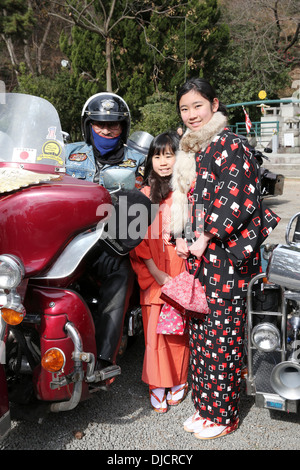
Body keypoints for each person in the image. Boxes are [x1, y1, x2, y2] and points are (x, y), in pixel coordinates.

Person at [170, 78, 280, 438]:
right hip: (200, 255)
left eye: (197, 106)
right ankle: (205, 407)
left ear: (214, 105)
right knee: (201, 332)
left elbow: (239, 195)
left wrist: (203, 236)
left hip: (225, 255)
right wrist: (182, 238)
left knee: (223, 335)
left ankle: (223, 415)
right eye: (185, 108)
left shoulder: (230, 143)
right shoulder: (193, 149)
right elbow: (188, 201)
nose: (191, 114)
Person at [65, 92, 147, 375]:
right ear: (88, 125)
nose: (106, 130)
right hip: (66, 241)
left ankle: (102, 360)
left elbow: (150, 201)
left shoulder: (139, 160)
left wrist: (121, 242)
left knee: (120, 273)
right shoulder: (66, 153)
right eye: (99, 124)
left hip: (109, 244)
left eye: (113, 125)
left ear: (124, 127)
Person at [130, 132, 190, 413]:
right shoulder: (139, 195)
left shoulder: (189, 192)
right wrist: (155, 272)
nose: (164, 162)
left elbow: (198, 233)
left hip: (180, 272)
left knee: (178, 333)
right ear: (150, 159)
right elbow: (131, 241)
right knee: (155, 334)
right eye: (157, 155)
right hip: (152, 273)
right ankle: (157, 384)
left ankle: (179, 379)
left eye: (169, 155)